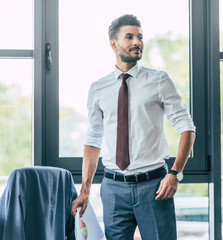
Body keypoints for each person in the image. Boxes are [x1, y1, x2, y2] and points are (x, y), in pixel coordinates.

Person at [71, 14, 196, 240]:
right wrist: (85, 190)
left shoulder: (159, 80)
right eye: (129, 37)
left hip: (155, 187)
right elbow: (93, 139)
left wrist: (175, 174)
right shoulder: (99, 88)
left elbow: (187, 127)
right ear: (113, 44)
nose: (137, 42)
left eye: (140, 37)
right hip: (113, 188)